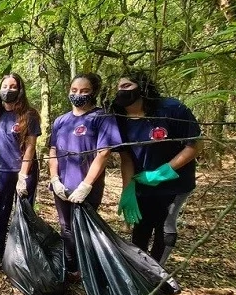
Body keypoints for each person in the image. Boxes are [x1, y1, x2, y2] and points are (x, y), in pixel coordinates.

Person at [110, 70, 201, 265]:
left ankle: (158, 273)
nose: (121, 91)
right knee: (141, 225)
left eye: (126, 86)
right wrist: (128, 190)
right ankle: (140, 269)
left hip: (174, 183)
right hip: (142, 181)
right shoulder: (119, 117)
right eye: (118, 88)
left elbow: (195, 145)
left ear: (142, 87)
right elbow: (126, 157)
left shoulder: (171, 109)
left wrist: (164, 172)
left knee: (165, 225)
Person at [48, 73, 130, 281]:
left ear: (93, 93)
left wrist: (86, 185)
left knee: (84, 229)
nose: (78, 95)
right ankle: (71, 268)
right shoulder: (61, 121)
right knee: (66, 227)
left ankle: (88, 270)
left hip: (86, 187)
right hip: (62, 185)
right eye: (74, 91)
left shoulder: (101, 118)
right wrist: (54, 179)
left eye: (84, 91)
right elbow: (53, 150)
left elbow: (104, 152)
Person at [0, 73, 40, 268]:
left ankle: (23, 255)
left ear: (20, 90)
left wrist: (23, 176)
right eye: (5, 86)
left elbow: (30, 146)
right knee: (2, 213)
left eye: (13, 86)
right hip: (3, 172)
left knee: (24, 214)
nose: (8, 90)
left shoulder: (29, 115)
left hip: (24, 172)